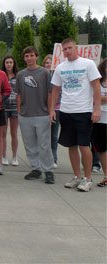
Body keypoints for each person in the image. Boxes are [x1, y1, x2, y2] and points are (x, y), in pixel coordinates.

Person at [50, 38, 101, 192]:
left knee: (84, 146)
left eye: (70, 48)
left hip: (84, 111)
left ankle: (88, 178)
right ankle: (77, 177)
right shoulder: (60, 67)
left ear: (76, 48)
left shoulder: (88, 64)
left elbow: (96, 87)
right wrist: (52, 109)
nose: (67, 51)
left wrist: (96, 109)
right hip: (66, 111)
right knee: (70, 146)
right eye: (64, 49)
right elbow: (55, 90)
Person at [16, 46, 55, 184]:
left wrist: (50, 110)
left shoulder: (44, 73)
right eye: (26, 56)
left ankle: (48, 170)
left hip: (42, 113)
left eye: (32, 55)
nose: (29, 58)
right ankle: (36, 168)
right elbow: (19, 94)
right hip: (26, 115)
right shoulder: (21, 74)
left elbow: (50, 93)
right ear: (24, 58)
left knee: (44, 144)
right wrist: (19, 111)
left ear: (36, 56)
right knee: (30, 144)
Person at [1, 55, 19, 166]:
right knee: (3, 134)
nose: (8, 64)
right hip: (3, 106)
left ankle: (15, 156)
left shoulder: (18, 76)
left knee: (14, 133)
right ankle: (3, 156)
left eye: (10, 62)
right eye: (7, 62)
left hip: (15, 107)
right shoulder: (2, 75)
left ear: (13, 64)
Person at [42, 54, 59, 169]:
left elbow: (59, 93)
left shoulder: (58, 77)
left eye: (51, 62)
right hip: (42, 110)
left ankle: (54, 158)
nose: (49, 64)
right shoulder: (42, 76)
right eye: (47, 63)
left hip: (56, 109)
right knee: (43, 136)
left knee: (53, 135)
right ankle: (43, 158)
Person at [93, 58, 107, 187]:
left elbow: (97, 98)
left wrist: (99, 98)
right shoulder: (97, 82)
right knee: (102, 149)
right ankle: (106, 176)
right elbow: (92, 97)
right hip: (99, 119)